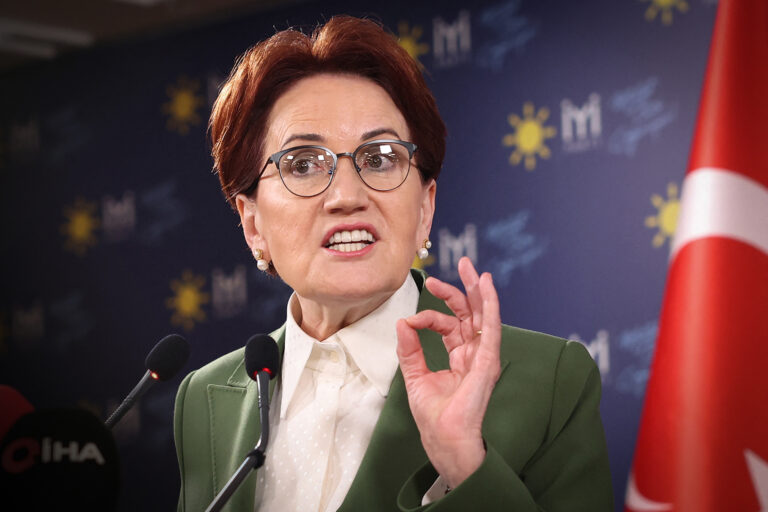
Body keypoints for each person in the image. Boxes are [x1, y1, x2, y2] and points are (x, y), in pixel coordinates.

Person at [173, 15, 613, 512]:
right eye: (303, 164)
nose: (346, 196)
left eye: (380, 158)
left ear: (425, 207)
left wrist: (465, 466)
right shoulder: (204, 399)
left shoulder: (550, 383)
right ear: (252, 223)